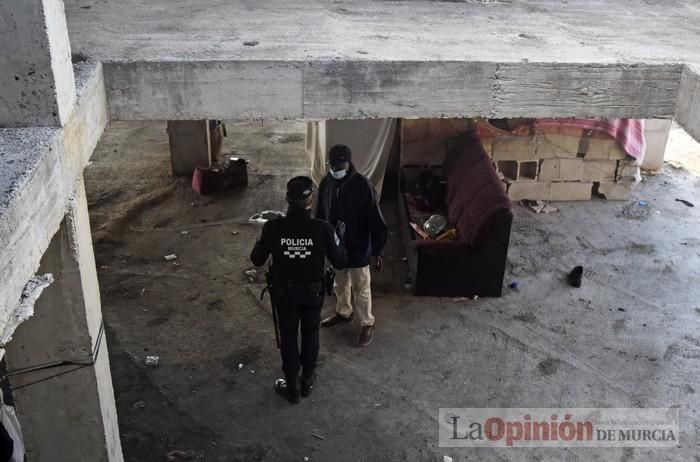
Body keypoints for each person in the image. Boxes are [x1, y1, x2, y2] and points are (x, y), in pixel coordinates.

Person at [250, 176, 346, 404]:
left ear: (286, 199)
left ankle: (292, 386)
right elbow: (340, 261)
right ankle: (307, 381)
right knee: (311, 334)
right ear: (310, 201)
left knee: (289, 335)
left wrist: (263, 239)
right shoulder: (322, 228)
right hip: (313, 293)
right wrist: (338, 239)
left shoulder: (273, 228)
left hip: (285, 294)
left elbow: (257, 259)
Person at [317, 144, 387, 347]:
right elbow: (321, 215)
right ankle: (343, 312)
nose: (335, 169)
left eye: (339, 165)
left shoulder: (363, 186)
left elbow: (376, 220)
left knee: (361, 286)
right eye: (333, 165)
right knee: (340, 283)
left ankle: (367, 322)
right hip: (336, 247)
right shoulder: (326, 183)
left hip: (359, 247)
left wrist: (378, 251)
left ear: (348, 164)